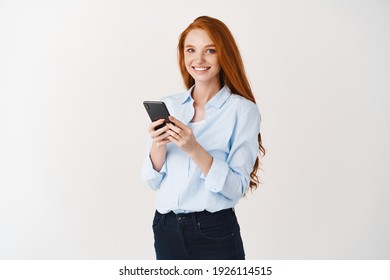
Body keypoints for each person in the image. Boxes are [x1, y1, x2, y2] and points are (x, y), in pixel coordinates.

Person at [141, 15, 265, 260]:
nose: (198, 59)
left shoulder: (242, 111)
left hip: (213, 231)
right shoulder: (170, 105)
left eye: (210, 50)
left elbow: (235, 189)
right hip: (165, 228)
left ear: (224, 55)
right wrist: (158, 144)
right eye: (191, 50)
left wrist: (193, 148)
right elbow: (152, 181)